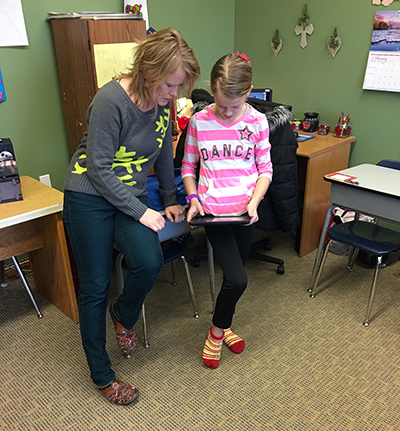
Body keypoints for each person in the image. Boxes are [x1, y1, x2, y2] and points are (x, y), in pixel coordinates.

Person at [63, 29, 200, 404]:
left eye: (178, 87)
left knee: (148, 259)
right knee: (94, 286)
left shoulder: (163, 103)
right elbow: (98, 168)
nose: (175, 95)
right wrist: (142, 212)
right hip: (88, 196)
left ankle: (123, 314)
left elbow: (161, 153)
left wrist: (170, 199)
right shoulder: (110, 101)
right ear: (148, 72)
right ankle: (102, 376)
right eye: (170, 85)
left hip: (129, 197)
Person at [181, 52, 273, 369]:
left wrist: (254, 201)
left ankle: (226, 323)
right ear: (212, 89)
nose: (227, 111)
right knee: (238, 279)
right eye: (221, 105)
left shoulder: (258, 122)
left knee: (233, 280)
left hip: (245, 213)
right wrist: (193, 197)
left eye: (234, 106)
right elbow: (188, 167)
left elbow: (265, 170)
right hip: (214, 213)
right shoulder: (199, 121)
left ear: (247, 93)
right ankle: (216, 333)